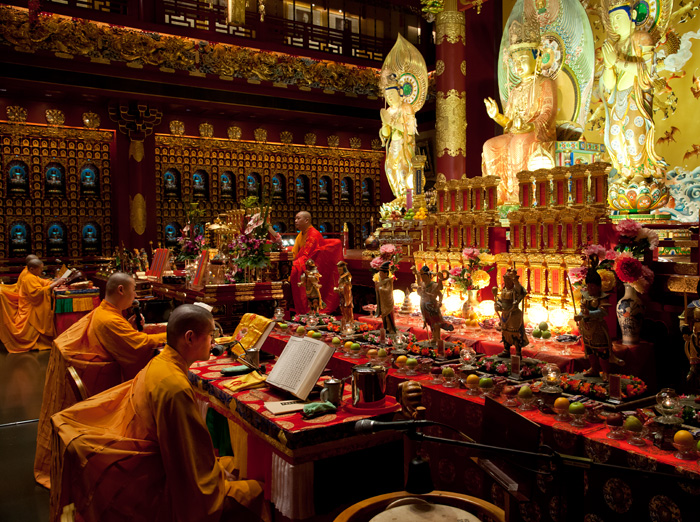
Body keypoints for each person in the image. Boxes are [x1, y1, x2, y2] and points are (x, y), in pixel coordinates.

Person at [50, 304, 270, 522]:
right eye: (211, 335)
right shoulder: (174, 387)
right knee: (259, 490)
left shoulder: (161, 362)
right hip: (151, 484)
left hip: (140, 460)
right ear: (190, 338)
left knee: (234, 464)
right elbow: (190, 472)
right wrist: (226, 478)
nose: (213, 342)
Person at [34, 272, 168, 488]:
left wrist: (134, 327)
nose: (135, 297)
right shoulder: (109, 318)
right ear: (121, 290)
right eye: (133, 290)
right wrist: (171, 333)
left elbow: (129, 338)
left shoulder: (108, 312)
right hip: (104, 387)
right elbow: (137, 346)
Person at [482, 18, 556, 205]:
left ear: (537, 58)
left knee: (519, 142)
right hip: (517, 133)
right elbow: (510, 124)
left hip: (537, 133)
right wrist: (497, 116)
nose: (518, 65)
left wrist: (529, 125)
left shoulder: (545, 83)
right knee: (489, 146)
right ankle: (499, 196)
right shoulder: (515, 90)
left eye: (523, 59)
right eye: (515, 61)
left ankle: (519, 195)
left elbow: (548, 112)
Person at [601, 0, 666, 186]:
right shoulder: (614, 46)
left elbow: (646, 70)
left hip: (635, 96)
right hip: (618, 98)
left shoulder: (641, 38)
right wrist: (608, 64)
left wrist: (617, 62)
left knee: (633, 133)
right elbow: (609, 83)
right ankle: (625, 171)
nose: (615, 23)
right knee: (615, 138)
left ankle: (639, 172)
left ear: (633, 17)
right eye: (612, 19)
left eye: (619, 17)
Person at [0, 258, 65, 353]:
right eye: (40, 268)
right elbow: (36, 292)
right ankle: (32, 343)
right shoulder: (29, 278)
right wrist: (54, 284)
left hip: (32, 305)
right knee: (31, 328)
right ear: (32, 269)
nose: (42, 271)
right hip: (30, 307)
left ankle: (39, 342)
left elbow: (42, 282)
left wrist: (53, 283)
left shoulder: (32, 275)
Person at [290, 211, 342, 314]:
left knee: (294, 270)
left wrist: (293, 263)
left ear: (307, 220)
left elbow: (308, 256)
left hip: (315, 266)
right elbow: (296, 252)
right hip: (306, 261)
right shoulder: (302, 234)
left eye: (298, 218)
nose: (295, 221)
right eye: (295, 219)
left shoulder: (313, 234)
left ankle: (306, 310)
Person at [380, 74, 417, 200]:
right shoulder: (389, 111)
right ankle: (398, 198)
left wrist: (393, 123)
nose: (389, 98)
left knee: (403, 171)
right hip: (393, 145)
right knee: (390, 170)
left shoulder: (406, 108)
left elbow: (410, 130)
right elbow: (386, 135)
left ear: (400, 93)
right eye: (387, 96)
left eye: (392, 95)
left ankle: (407, 200)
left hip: (404, 145)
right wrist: (385, 124)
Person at [411, 265, 454, 347]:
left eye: (424, 276)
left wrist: (441, 279)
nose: (423, 278)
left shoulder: (433, 285)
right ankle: (434, 337)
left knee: (436, 322)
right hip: (424, 306)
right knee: (430, 322)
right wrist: (416, 273)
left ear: (428, 276)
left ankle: (438, 337)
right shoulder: (423, 284)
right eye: (421, 276)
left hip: (432, 306)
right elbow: (419, 284)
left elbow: (440, 291)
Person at [493, 268, 528, 358]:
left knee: (514, 333)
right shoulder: (504, 290)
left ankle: (518, 352)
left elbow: (518, 288)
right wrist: (498, 305)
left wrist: (515, 279)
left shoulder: (515, 290)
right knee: (505, 332)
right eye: (505, 280)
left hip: (514, 314)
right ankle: (506, 350)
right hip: (505, 313)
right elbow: (500, 300)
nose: (507, 282)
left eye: (508, 280)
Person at [375, 261, 397, 334]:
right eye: (379, 274)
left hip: (388, 302)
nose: (380, 275)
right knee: (384, 317)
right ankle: (385, 329)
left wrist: (380, 289)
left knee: (388, 317)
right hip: (383, 302)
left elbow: (388, 291)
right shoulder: (381, 281)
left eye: (381, 273)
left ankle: (390, 329)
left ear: (385, 273)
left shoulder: (389, 281)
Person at [335, 261, 354, 332]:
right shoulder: (341, 276)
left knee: (347, 307)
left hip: (346, 294)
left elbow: (347, 285)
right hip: (342, 294)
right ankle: (345, 318)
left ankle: (349, 320)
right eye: (338, 269)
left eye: (340, 269)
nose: (339, 271)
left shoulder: (347, 275)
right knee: (341, 306)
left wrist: (341, 289)